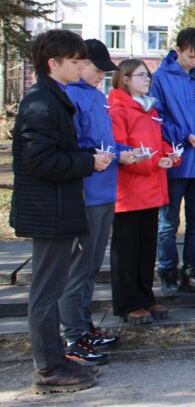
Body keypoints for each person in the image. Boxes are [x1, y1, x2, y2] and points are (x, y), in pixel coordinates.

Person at [11, 30, 110, 394]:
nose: (81, 67)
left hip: (56, 206)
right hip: (47, 209)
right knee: (46, 291)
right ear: (54, 64)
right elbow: (39, 160)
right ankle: (49, 367)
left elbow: (51, 152)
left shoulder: (53, 97)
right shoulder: (42, 102)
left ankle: (55, 359)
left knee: (51, 288)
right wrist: (88, 162)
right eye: (75, 62)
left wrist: (85, 158)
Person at [59, 40, 136, 366]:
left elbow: (104, 140)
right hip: (86, 193)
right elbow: (76, 145)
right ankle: (71, 335)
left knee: (90, 266)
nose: (101, 75)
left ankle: (84, 325)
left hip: (106, 191)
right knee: (78, 269)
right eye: (96, 68)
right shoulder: (70, 96)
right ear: (79, 64)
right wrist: (101, 155)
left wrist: (123, 152)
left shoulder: (96, 95)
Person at [151, 28, 195, 296]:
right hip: (176, 160)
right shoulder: (161, 78)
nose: (194, 62)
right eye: (190, 56)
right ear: (177, 50)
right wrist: (183, 135)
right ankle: (167, 272)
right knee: (168, 222)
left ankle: (193, 272)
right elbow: (157, 116)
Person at [109, 59, 178, 324]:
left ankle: (145, 297)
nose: (147, 79)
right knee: (127, 250)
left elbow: (158, 141)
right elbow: (121, 148)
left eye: (148, 75)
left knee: (146, 248)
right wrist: (153, 162)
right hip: (130, 191)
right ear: (125, 79)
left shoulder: (149, 108)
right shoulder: (119, 109)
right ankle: (128, 303)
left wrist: (169, 154)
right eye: (141, 75)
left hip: (151, 187)